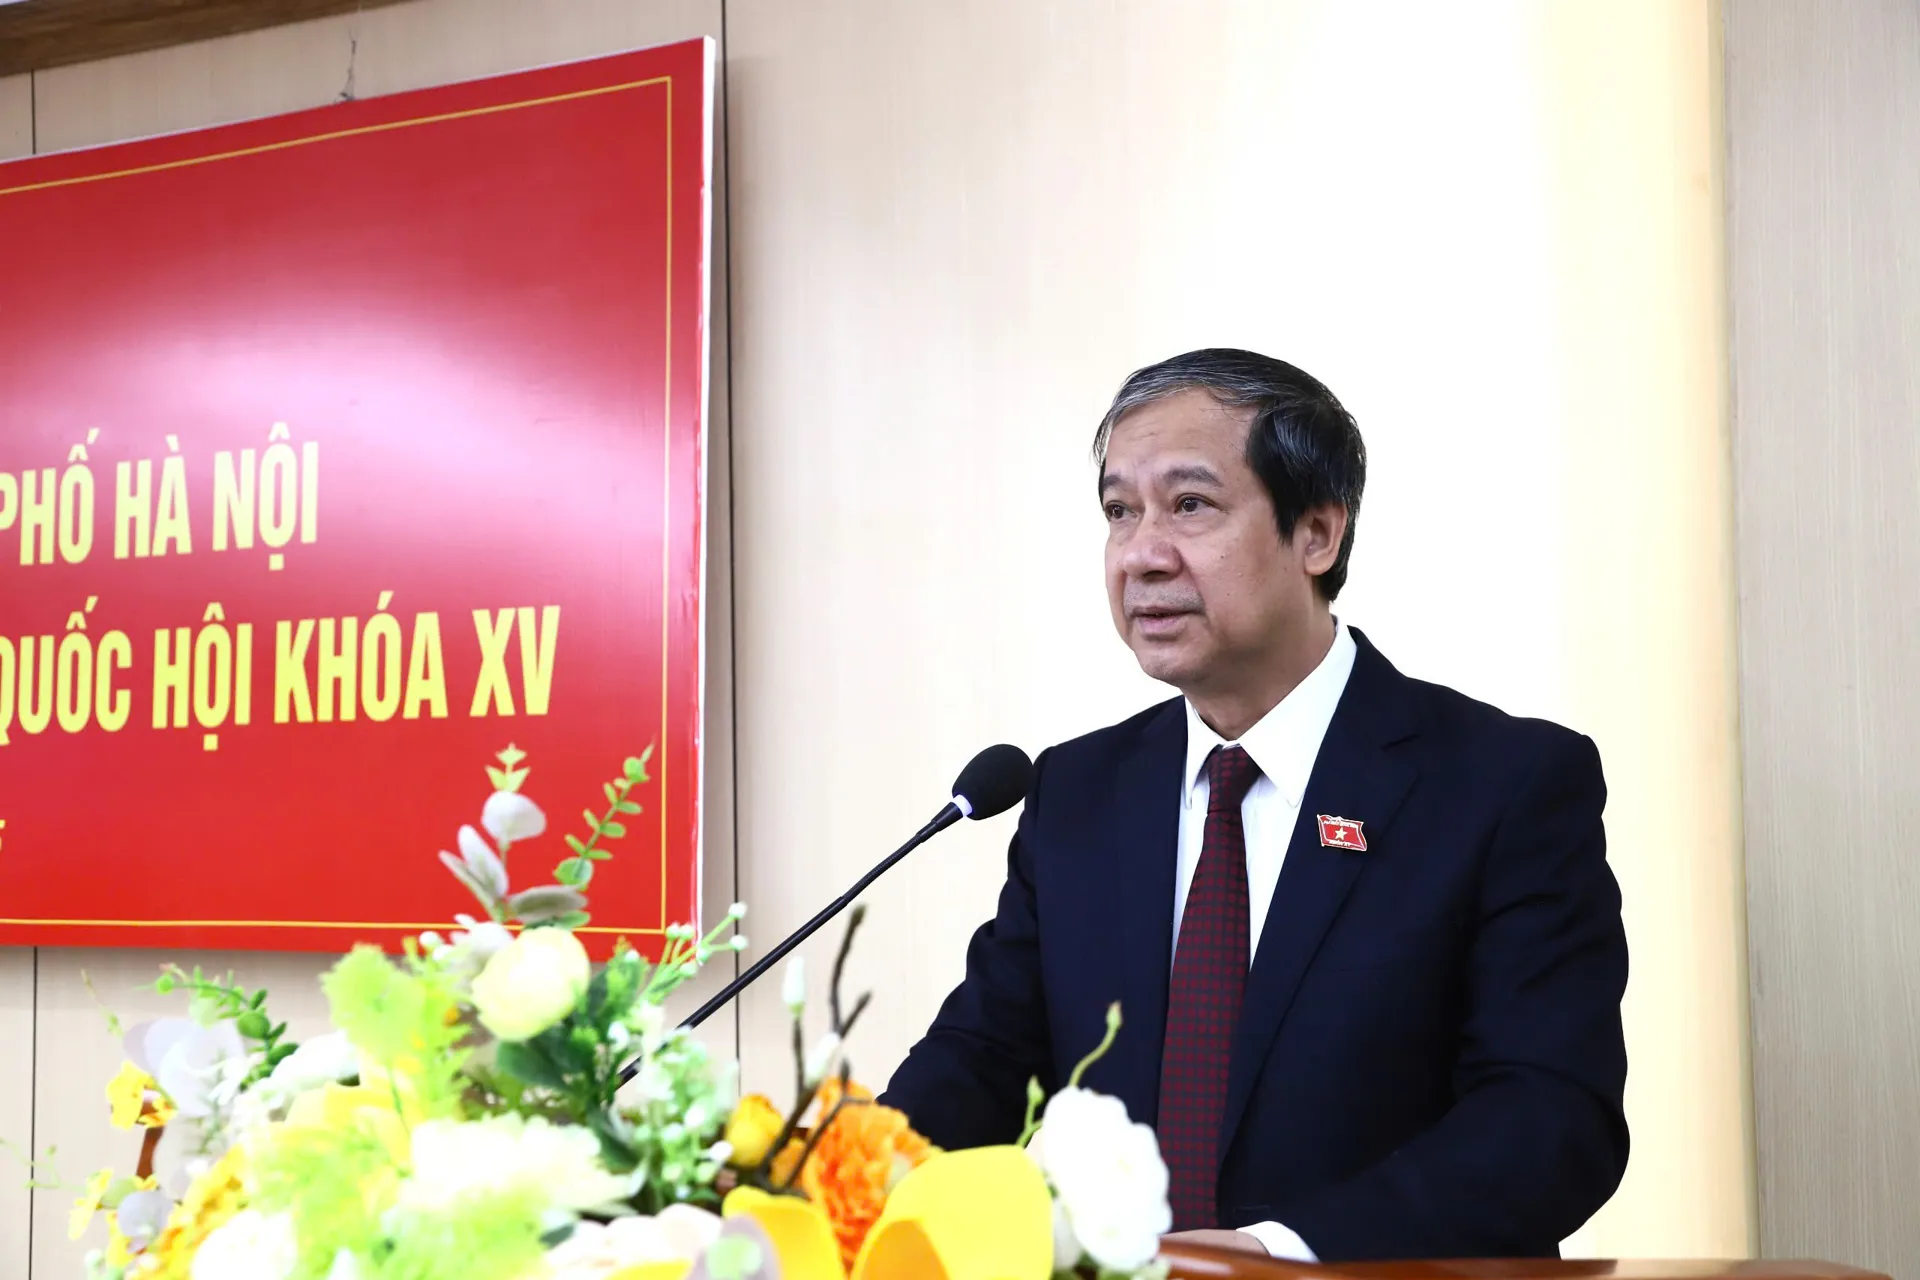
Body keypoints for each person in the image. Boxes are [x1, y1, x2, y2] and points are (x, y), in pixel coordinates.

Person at [879, 349, 1629, 1262]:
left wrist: (1270, 1254)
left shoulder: (1501, 785)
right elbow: (979, 1065)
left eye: (1191, 505)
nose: (1142, 554)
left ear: (1317, 533)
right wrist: (819, 1187)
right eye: (1120, 512)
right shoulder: (1077, 793)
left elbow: (1548, 1123)